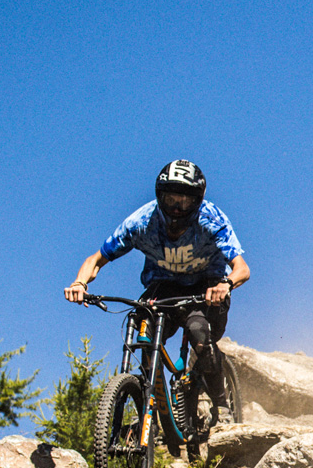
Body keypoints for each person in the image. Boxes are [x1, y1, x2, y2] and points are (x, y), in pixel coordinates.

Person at [65, 160, 250, 413]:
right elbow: (95, 259)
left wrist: (225, 284)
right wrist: (79, 282)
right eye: (170, 199)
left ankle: (223, 405)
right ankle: (148, 407)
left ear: (197, 201)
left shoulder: (211, 219)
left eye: (184, 201)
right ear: (159, 196)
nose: (176, 208)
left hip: (206, 290)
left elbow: (242, 269)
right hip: (163, 287)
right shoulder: (141, 222)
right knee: (143, 327)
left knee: (199, 335)